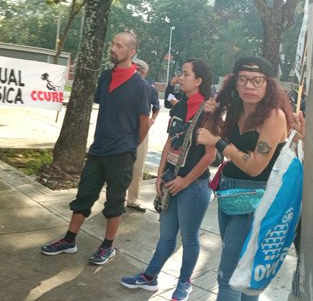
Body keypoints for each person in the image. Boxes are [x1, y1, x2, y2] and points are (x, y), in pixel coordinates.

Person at [41, 32, 153, 265]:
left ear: (131, 52)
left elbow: (144, 123)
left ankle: (107, 246)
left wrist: (130, 145)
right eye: (112, 43)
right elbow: (106, 107)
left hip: (121, 153)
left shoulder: (139, 86)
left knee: (114, 202)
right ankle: (69, 240)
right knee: (84, 195)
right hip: (98, 150)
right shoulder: (105, 76)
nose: (113, 48)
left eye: (119, 45)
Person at [195, 57, 295, 301]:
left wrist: (218, 142)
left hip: (254, 201)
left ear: (268, 84)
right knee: (244, 275)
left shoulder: (273, 116)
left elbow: (254, 167)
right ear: (235, 84)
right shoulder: (237, 110)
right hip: (229, 195)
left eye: (257, 80)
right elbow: (207, 138)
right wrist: (212, 114)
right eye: (243, 79)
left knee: (229, 277)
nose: (250, 85)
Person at [120, 59, 216, 300]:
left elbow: (210, 155)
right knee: (166, 235)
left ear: (199, 80)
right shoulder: (179, 107)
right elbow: (169, 143)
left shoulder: (209, 112)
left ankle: (184, 283)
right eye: (181, 73)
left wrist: (184, 181)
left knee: (189, 237)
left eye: (185, 74)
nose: (180, 78)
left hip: (194, 187)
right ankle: (150, 277)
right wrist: (161, 175)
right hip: (170, 180)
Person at [127, 59, 161, 212]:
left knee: (138, 166)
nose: (136, 71)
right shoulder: (123, 85)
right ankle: (116, 199)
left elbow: (156, 107)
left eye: (140, 69)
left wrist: (152, 120)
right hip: (123, 129)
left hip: (141, 129)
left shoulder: (149, 89)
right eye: (135, 67)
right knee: (119, 165)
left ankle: (133, 199)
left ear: (144, 72)